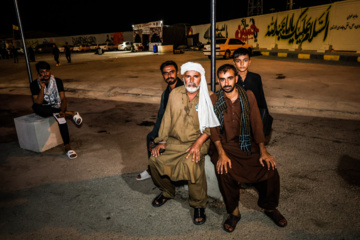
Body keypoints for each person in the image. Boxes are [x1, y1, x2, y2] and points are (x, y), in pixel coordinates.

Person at [209, 64, 287, 233]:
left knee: (270, 169)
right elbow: (213, 130)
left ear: (236, 78)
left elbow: (257, 124)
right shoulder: (215, 99)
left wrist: (263, 150)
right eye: (222, 79)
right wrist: (221, 154)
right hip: (224, 145)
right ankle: (234, 212)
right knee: (223, 171)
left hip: (246, 144)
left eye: (230, 78)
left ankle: (269, 207)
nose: (226, 82)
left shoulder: (248, 96)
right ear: (218, 81)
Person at [149, 62, 219, 225]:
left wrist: (198, 143)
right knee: (154, 161)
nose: (192, 80)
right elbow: (166, 119)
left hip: (199, 140)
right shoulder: (174, 94)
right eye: (188, 76)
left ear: (201, 78)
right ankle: (167, 191)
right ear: (183, 77)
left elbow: (211, 125)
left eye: (196, 76)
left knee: (192, 163)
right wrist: (162, 141)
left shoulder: (209, 96)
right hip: (175, 141)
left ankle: (198, 204)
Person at [136, 61, 184, 181]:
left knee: (161, 142)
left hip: (180, 129)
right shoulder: (166, 93)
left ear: (177, 72)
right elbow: (161, 116)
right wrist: (155, 134)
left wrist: (163, 138)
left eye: (172, 72)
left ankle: (162, 174)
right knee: (150, 137)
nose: (169, 76)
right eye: (165, 73)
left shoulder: (184, 90)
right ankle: (153, 169)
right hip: (167, 126)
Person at [30, 61, 83, 159]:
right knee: (36, 107)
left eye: (47, 71)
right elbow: (38, 102)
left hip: (55, 106)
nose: (45, 74)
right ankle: (71, 113)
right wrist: (42, 88)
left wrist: (62, 110)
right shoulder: (34, 84)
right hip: (43, 108)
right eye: (42, 72)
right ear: (39, 73)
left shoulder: (57, 81)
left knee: (61, 119)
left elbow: (63, 99)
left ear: (50, 71)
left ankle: (67, 147)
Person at [233, 48, 272, 137]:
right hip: (237, 117)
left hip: (253, 115)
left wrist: (265, 115)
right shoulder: (231, 79)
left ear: (250, 61)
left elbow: (261, 98)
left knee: (254, 141)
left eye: (245, 60)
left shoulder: (255, 78)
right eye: (238, 61)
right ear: (234, 63)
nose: (242, 64)